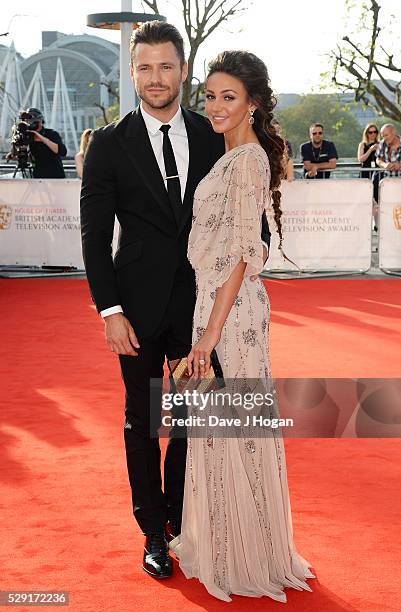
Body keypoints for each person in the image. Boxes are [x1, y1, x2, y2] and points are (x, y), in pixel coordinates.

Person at [80, 21, 271, 580]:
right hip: (134, 313)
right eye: (144, 67)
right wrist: (109, 311)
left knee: (194, 419)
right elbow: (94, 235)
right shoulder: (109, 144)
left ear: (182, 70)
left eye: (166, 66)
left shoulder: (216, 132)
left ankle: (187, 522)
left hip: (201, 310)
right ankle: (153, 531)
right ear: (132, 71)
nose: (155, 77)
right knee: (142, 421)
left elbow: (246, 223)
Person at [169, 50, 315, 602]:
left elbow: (237, 254)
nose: (215, 105)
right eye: (209, 95)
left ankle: (243, 552)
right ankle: (225, 541)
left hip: (228, 315)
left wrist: (208, 335)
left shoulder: (248, 159)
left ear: (253, 104)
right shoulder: (230, 155)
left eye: (229, 97)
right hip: (217, 306)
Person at [7, 108, 67, 178]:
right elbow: (26, 156)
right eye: (27, 122)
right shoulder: (26, 136)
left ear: (41, 122)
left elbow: (62, 151)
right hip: (37, 178)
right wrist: (15, 151)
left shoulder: (51, 134)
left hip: (55, 176)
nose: (30, 124)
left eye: (33, 122)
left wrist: (42, 139)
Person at [357, 123, 380, 229]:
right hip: (365, 174)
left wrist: (378, 148)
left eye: (375, 132)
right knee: (367, 199)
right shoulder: (363, 144)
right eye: (370, 132)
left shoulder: (380, 144)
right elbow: (360, 159)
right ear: (366, 133)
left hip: (377, 174)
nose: (373, 134)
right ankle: (364, 224)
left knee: (376, 199)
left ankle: (376, 224)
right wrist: (370, 149)